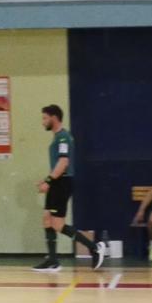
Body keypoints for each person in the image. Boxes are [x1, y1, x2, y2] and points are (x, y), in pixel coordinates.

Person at [33, 105, 105, 273]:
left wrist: (49, 181)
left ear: (54, 118)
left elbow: (63, 163)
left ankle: (94, 248)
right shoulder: (58, 137)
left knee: (58, 224)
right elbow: (58, 165)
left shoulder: (63, 138)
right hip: (57, 182)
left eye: (45, 118)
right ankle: (52, 260)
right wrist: (47, 179)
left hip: (62, 183)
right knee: (47, 219)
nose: (43, 122)